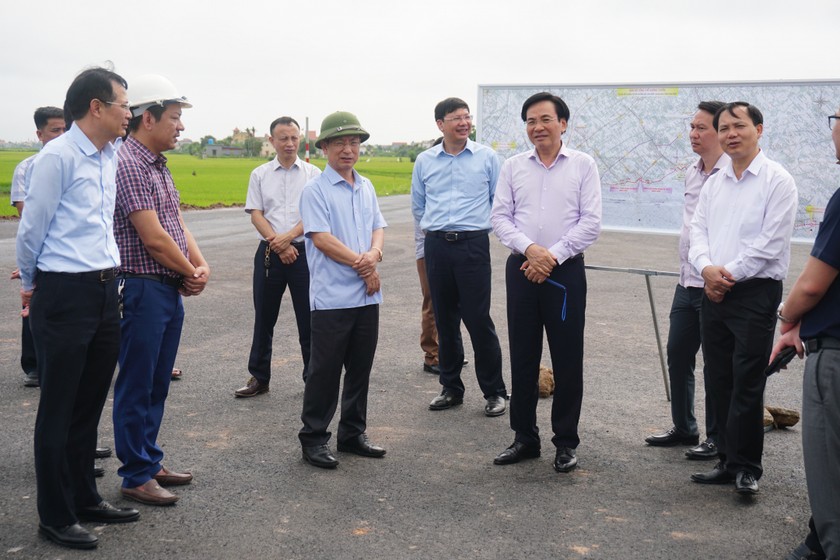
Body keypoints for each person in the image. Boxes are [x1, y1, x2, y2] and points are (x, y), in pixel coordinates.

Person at [16, 67, 139, 550]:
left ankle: (85, 497)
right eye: (124, 104)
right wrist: (31, 286)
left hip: (105, 291)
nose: (130, 112)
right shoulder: (58, 158)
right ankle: (55, 514)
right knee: (59, 408)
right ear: (96, 107)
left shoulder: (109, 155)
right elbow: (32, 232)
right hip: (64, 293)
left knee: (89, 404)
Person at [688, 102, 797, 495]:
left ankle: (748, 467)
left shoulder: (777, 180)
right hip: (713, 289)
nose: (730, 133)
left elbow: (770, 244)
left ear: (759, 130)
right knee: (718, 379)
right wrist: (706, 270)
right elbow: (697, 232)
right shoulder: (714, 182)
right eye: (724, 127)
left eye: (739, 126)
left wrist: (725, 274)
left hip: (753, 292)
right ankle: (726, 460)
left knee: (747, 381)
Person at [490, 92, 601, 473]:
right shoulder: (513, 167)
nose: (537, 127)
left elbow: (591, 222)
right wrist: (531, 250)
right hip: (522, 269)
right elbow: (500, 218)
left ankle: (566, 442)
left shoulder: (583, 166)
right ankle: (524, 437)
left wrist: (551, 255)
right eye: (530, 121)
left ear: (563, 123)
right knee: (522, 356)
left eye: (545, 119)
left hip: (565, 272)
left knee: (568, 359)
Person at [112, 74, 209, 506]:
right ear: (147, 118)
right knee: (137, 383)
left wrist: (199, 265)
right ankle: (135, 473)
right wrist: (189, 271)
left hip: (166, 287)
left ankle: (149, 461)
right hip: (142, 288)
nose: (181, 127)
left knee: (156, 383)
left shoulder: (157, 163)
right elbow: (151, 237)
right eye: (174, 118)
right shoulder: (129, 162)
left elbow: (177, 224)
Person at [298, 111, 387, 469]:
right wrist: (364, 266)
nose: (348, 149)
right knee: (325, 371)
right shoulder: (315, 191)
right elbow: (321, 239)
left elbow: (378, 227)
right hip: (332, 298)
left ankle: (352, 433)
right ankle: (314, 438)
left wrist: (375, 254)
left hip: (367, 296)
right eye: (339, 143)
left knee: (360, 369)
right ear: (324, 148)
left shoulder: (365, 186)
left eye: (353, 142)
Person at [771, 106, 840, 560]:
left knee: (829, 472)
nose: (833, 129)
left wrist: (787, 318)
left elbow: (813, 284)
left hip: (834, 353)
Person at [411, 97, 508, 417]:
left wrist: (474, 232)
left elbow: (499, 202)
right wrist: (433, 237)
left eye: (467, 117)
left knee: (479, 320)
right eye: (456, 118)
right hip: (437, 246)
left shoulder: (487, 157)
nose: (464, 123)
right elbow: (419, 206)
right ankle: (451, 387)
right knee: (445, 320)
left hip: (472, 246)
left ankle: (494, 392)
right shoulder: (425, 160)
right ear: (441, 124)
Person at [645, 101, 727, 460]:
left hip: (718, 285)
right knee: (678, 354)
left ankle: (717, 437)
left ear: (721, 132)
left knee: (717, 365)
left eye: (701, 128)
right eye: (691, 127)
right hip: (687, 282)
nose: (693, 134)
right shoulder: (693, 173)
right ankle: (684, 426)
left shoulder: (732, 174)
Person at [235, 116, 320, 397]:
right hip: (270, 255)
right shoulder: (260, 174)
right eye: (283, 138)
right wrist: (279, 243)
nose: (290, 143)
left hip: (304, 253)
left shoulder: (313, 175)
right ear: (271, 141)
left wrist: (290, 238)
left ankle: (313, 377)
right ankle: (259, 377)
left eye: (294, 138)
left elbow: (315, 215)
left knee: (308, 319)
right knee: (264, 317)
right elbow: (256, 214)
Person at [9, 106, 65, 388]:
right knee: (33, 306)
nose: (61, 135)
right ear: (39, 134)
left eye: (66, 129)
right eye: (55, 130)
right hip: (38, 249)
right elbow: (26, 213)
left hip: (65, 250)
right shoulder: (27, 168)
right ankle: (34, 366)